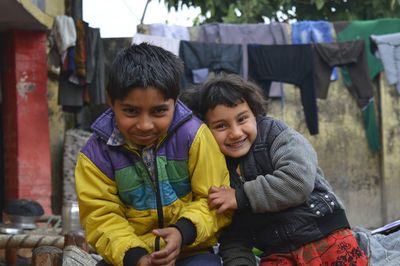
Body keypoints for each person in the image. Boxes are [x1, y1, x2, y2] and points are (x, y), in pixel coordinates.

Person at [180, 74, 368, 266]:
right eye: (221, 126)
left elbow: (297, 181)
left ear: (255, 114)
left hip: (324, 233)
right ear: (205, 131)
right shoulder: (215, 168)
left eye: (242, 119)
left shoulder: (276, 134)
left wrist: (241, 196)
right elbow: (233, 234)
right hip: (277, 252)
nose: (235, 133)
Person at [74, 43, 232, 266]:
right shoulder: (96, 155)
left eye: (159, 111)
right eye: (131, 111)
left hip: (190, 251)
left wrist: (181, 232)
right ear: (111, 101)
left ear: (175, 102)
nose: (145, 125)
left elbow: (215, 200)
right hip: (127, 257)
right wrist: (136, 257)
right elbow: (100, 217)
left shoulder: (194, 136)